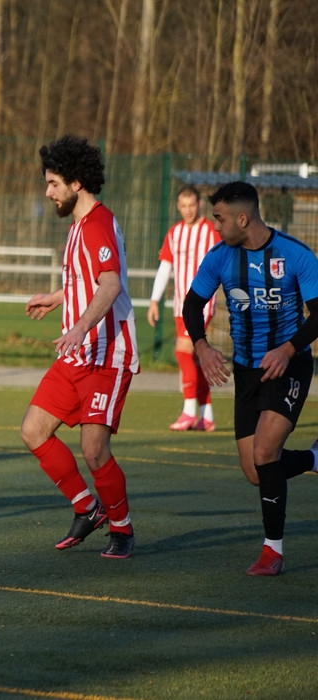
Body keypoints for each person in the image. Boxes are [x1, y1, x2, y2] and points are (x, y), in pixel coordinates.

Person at [183, 181, 318, 576]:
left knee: (265, 451)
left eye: (219, 218)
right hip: (246, 371)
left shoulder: (295, 254)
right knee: (256, 472)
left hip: (289, 365)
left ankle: (272, 551)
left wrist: (288, 349)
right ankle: (313, 458)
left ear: (243, 219)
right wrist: (202, 347)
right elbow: (192, 305)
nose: (215, 226)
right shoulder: (219, 257)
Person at [20, 135, 139, 559]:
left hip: (107, 355)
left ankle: (121, 528)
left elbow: (110, 285)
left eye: (53, 183)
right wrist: (57, 298)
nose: (47, 192)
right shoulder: (77, 227)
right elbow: (84, 282)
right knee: (33, 431)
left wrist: (81, 326)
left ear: (76, 182)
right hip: (77, 354)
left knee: (94, 449)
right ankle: (88, 507)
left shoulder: (99, 224)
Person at [147, 185, 220, 431]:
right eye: (183, 206)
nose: (188, 210)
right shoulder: (174, 233)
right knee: (196, 359)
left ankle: (189, 411)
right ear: (178, 207)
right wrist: (154, 300)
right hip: (180, 306)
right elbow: (165, 267)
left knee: (182, 352)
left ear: (199, 204)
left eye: (192, 205)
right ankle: (207, 416)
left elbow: (224, 262)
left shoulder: (211, 231)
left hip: (202, 304)